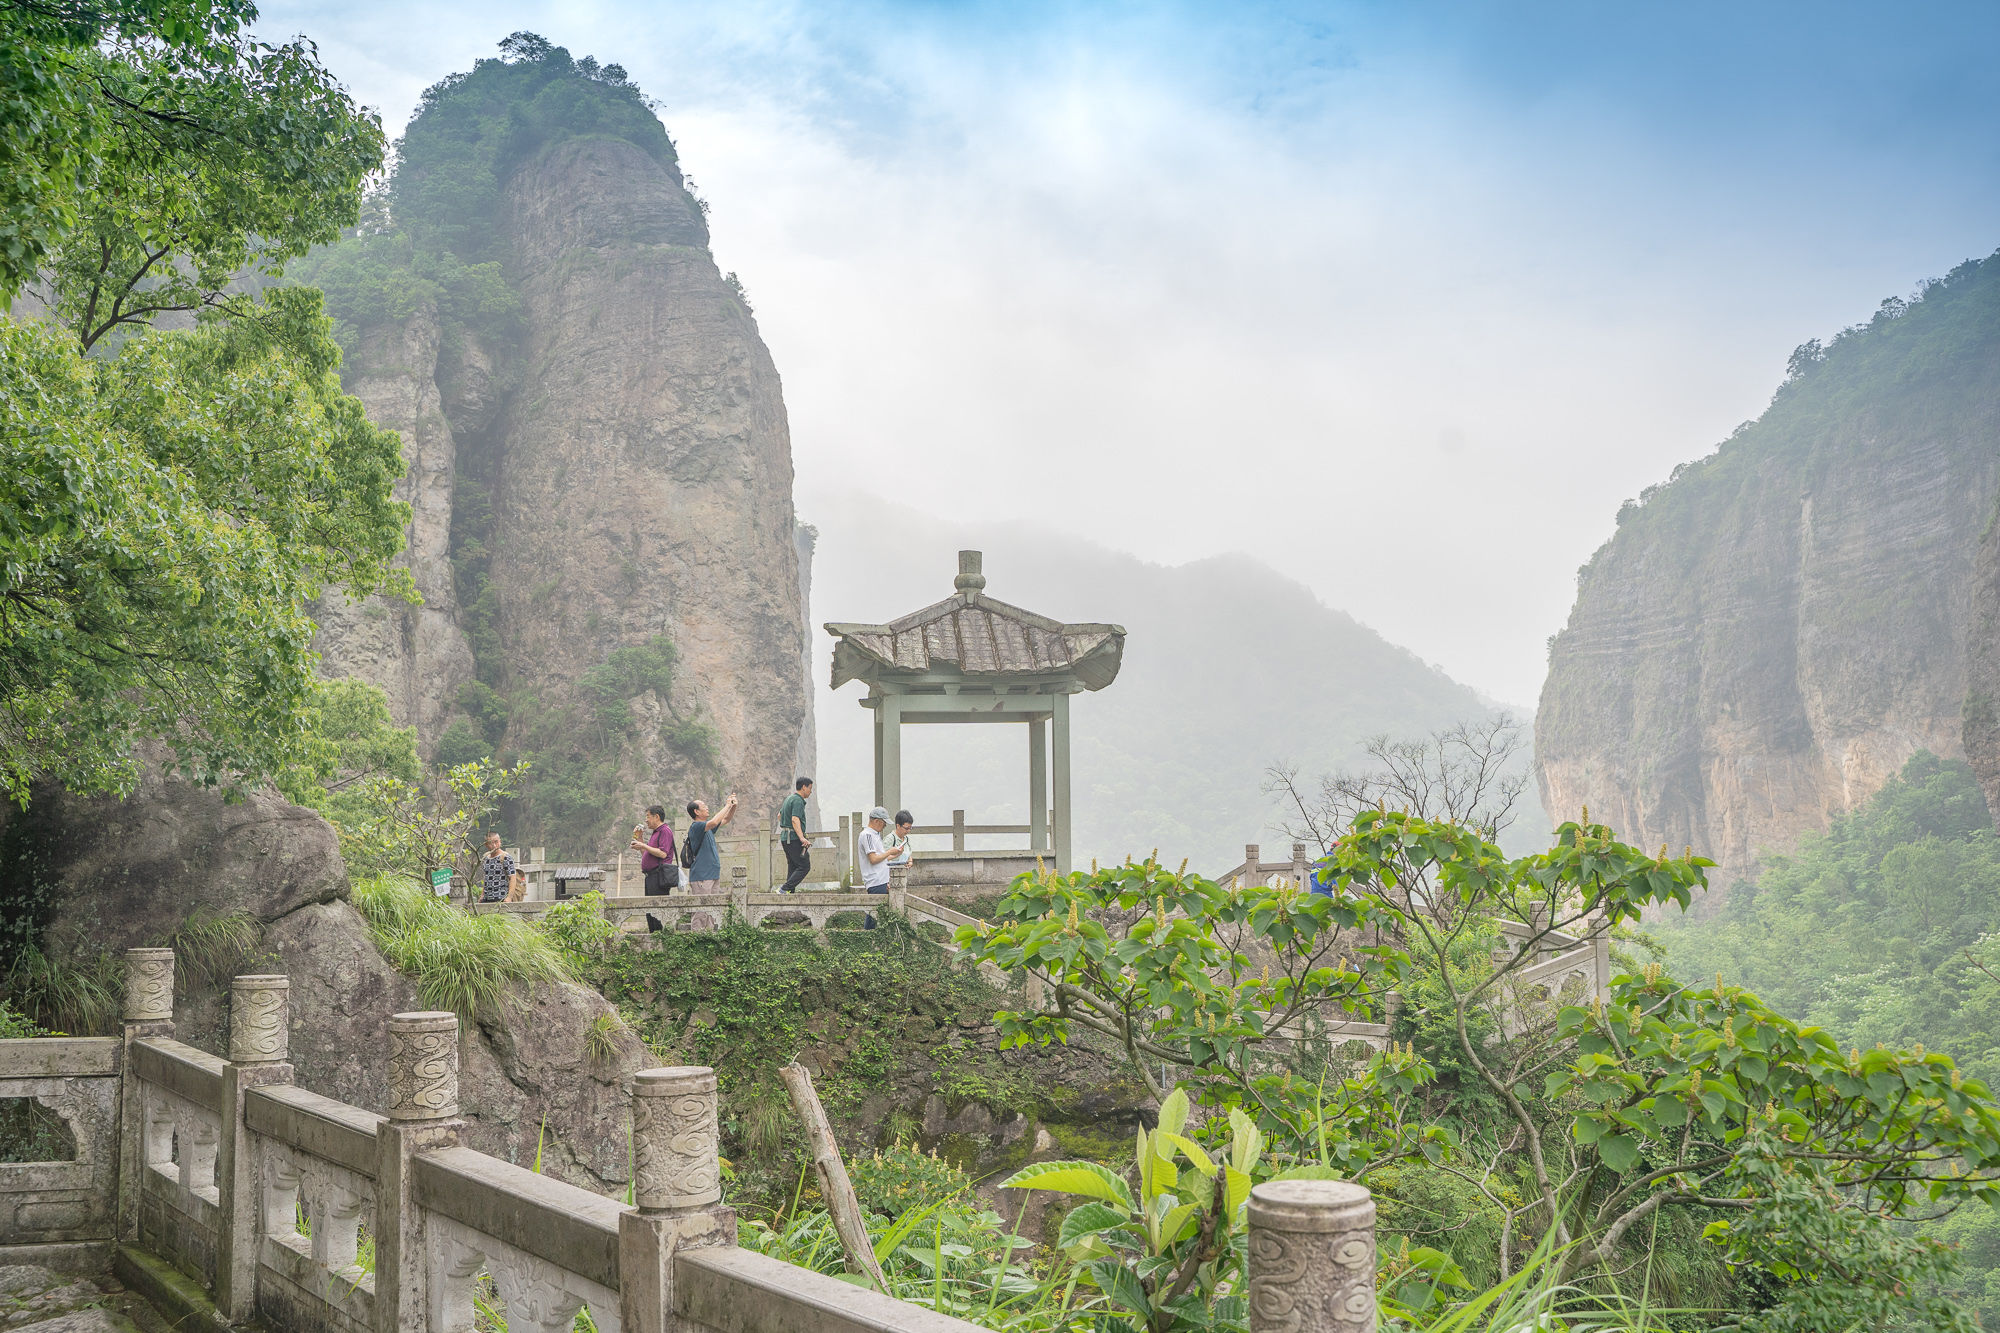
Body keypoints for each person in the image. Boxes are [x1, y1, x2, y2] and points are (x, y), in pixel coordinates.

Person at [682, 793, 738, 893]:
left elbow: (726, 819)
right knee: (703, 908)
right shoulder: (696, 826)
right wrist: (727, 805)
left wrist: (733, 806)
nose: (707, 807)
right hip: (702, 876)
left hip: (713, 874)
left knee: (714, 908)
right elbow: (714, 822)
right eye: (704, 806)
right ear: (696, 811)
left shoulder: (707, 828)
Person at [630, 805, 677, 896]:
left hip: (659, 876)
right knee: (650, 908)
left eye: (648, 816)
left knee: (656, 908)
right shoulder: (656, 832)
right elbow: (646, 854)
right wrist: (640, 838)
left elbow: (663, 854)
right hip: (651, 876)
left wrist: (643, 845)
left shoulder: (664, 831)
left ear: (656, 817)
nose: (646, 820)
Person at [777, 777, 814, 893]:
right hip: (793, 839)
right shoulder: (798, 800)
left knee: (793, 865)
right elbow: (795, 819)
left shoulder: (789, 798)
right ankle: (784, 889)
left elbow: (779, 816)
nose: (810, 791)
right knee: (804, 866)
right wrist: (802, 838)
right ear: (804, 787)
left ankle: (789, 892)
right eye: (810, 788)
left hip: (785, 838)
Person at [477, 833, 517, 904]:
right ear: (486, 845)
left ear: (500, 841)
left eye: (496, 842)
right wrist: (482, 895)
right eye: (491, 843)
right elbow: (486, 878)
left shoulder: (506, 857)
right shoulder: (486, 858)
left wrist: (509, 897)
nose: (494, 846)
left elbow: (513, 878)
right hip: (487, 898)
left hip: (501, 897)